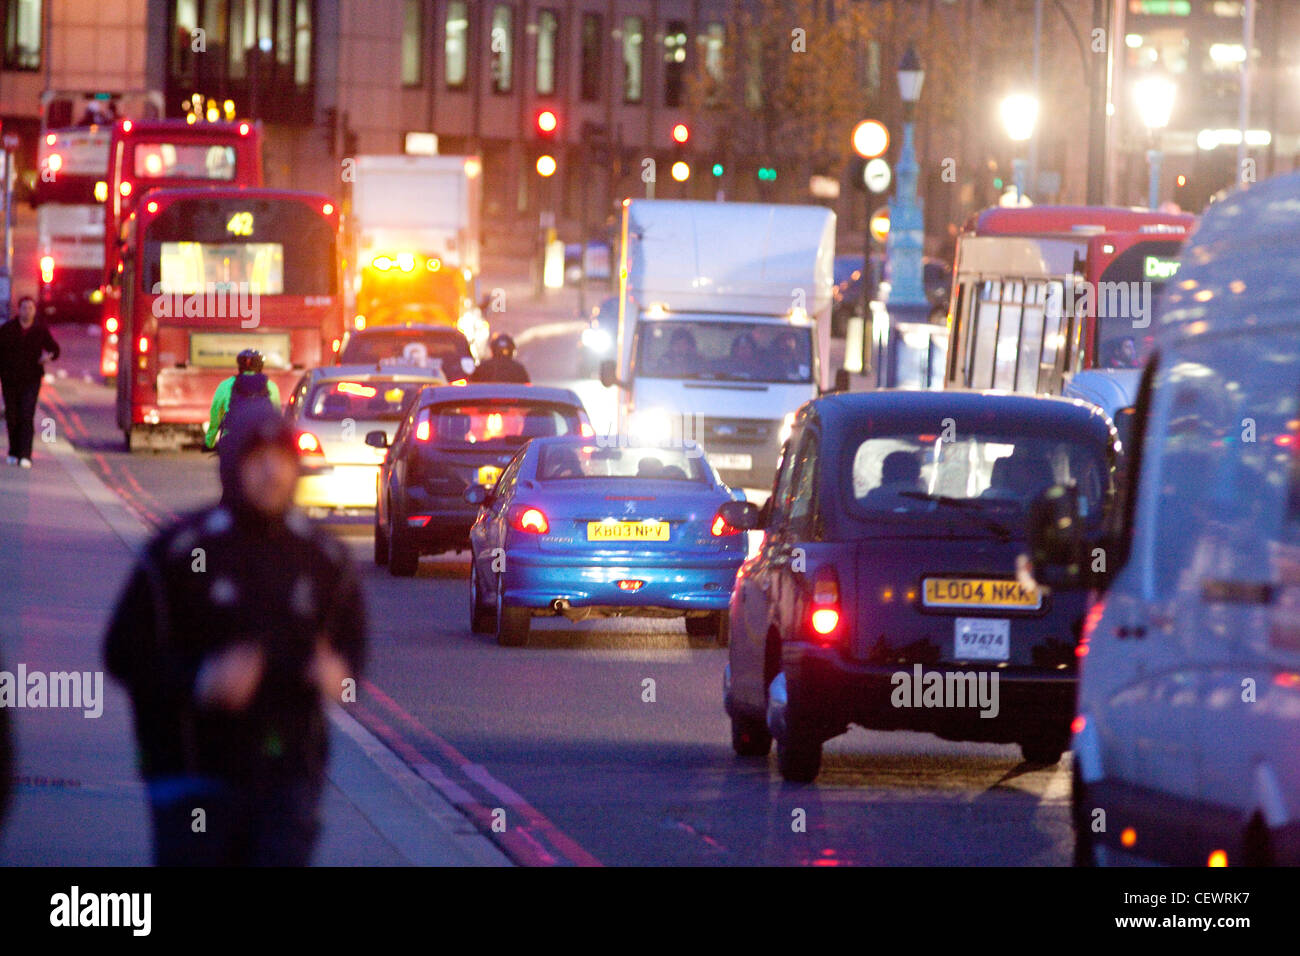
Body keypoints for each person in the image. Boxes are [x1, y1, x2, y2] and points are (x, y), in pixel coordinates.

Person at [103, 402, 366, 866]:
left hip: (287, 777)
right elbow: (124, 652)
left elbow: (351, 658)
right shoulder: (181, 550)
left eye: (282, 459)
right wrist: (201, 681)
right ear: (232, 465)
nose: (271, 472)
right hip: (191, 771)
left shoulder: (324, 558)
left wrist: (338, 678)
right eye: (257, 459)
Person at [0, 296, 60, 469]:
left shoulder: (40, 330)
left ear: (35, 310)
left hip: (31, 379)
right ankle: (13, 451)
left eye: (30, 308)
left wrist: (47, 356)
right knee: (12, 416)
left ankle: (25, 454)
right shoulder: (8, 329)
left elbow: (55, 350)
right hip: (10, 379)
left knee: (26, 415)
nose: (27, 311)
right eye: (24, 308)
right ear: (19, 310)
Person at [205, 349, 281, 450]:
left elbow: (216, 414)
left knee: (227, 463)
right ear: (260, 365)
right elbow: (276, 415)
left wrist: (209, 442)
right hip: (260, 442)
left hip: (232, 439)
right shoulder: (271, 386)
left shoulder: (226, 385)